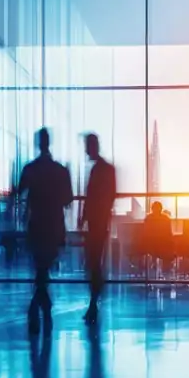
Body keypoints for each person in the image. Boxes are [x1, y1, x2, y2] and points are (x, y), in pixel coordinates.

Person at [18, 128, 73, 334]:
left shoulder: (30, 169)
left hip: (37, 224)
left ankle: (38, 308)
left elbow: (19, 190)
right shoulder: (60, 170)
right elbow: (68, 199)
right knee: (43, 269)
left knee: (40, 269)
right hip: (53, 226)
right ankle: (41, 308)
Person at [79, 133, 116, 324]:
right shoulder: (106, 169)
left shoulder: (99, 170)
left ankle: (94, 302)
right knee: (94, 263)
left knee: (93, 263)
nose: (85, 150)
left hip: (97, 224)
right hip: (99, 223)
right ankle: (94, 302)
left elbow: (94, 197)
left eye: (87, 146)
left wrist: (85, 218)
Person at [143, 201, 174, 277]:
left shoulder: (148, 218)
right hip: (162, 246)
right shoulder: (166, 218)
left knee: (163, 251)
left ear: (151, 209)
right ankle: (166, 272)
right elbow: (169, 233)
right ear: (161, 209)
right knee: (169, 252)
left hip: (151, 246)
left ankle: (154, 267)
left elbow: (145, 233)